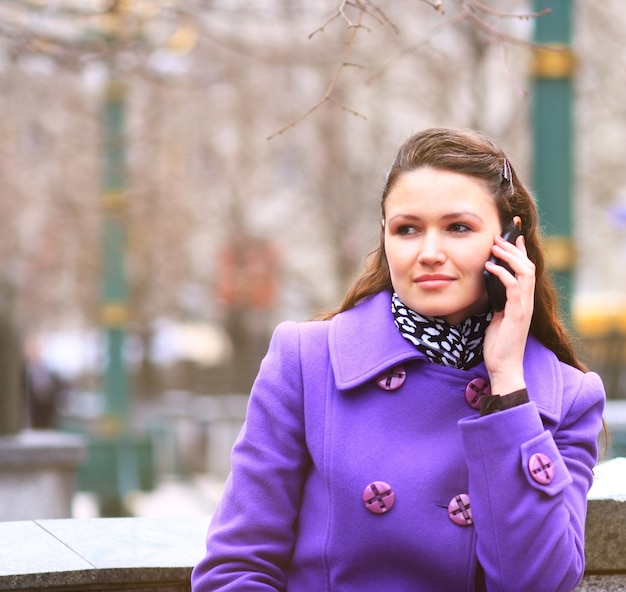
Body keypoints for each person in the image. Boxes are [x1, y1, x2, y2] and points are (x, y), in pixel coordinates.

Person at [191, 127, 606, 591]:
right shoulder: (307, 363)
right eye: (407, 229)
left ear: (511, 243)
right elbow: (235, 569)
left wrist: (508, 384)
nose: (429, 253)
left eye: (458, 228)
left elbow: (539, 583)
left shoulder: (566, 397)